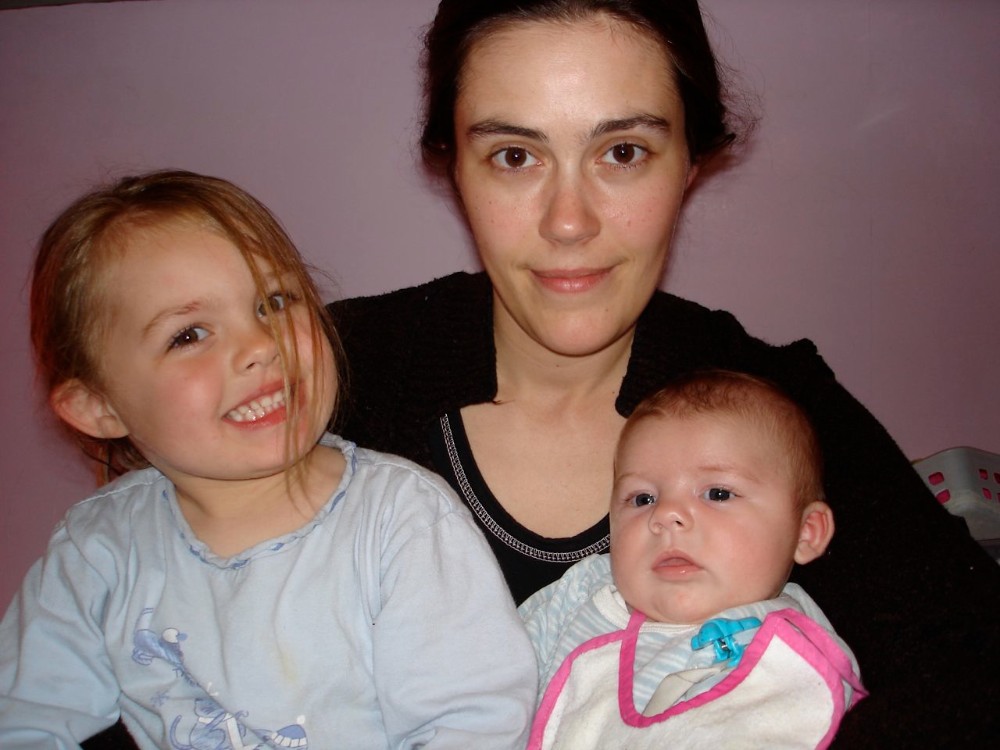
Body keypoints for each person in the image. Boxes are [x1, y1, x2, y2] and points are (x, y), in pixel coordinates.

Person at [328, 0, 1000, 746]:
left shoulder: (781, 406)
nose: (568, 221)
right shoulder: (328, 372)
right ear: (455, 165)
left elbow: (972, 669)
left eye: (623, 152)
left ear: (690, 162)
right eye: (515, 156)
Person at [0, 170, 536, 749]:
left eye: (274, 302)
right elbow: (25, 723)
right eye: (189, 335)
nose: (260, 345)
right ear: (99, 406)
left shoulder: (400, 521)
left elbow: (473, 724)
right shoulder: (97, 552)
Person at [519, 370, 866, 748]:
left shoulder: (794, 659)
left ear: (805, 532)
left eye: (718, 493)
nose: (666, 513)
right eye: (643, 499)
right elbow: (488, 673)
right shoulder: (580, 598)